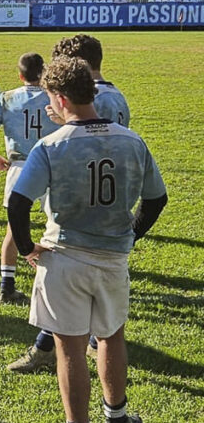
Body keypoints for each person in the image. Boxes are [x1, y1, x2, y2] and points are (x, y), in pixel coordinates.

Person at [6, 56, 166, 423]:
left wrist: (26, 248)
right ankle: (117, 417)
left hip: (65, 256)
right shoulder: (132, 140)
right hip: (112, 257)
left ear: (60, 98)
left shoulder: (51, 146)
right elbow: (157, 198)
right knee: (111, 335)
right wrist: (131, 233)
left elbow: (18, 204)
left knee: (69, 348)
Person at [8, 34, 131, 373]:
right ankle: (65, 347)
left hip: (81, 213)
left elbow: (90, 146)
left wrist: (63, 123)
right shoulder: (116, 94)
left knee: (70, 292)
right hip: (108, 211)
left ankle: (51, 350)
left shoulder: (97, 101)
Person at [0, 53, 60, 306]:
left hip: (19, 167)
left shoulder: (8, 98)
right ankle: (55, 283)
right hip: (50, 165)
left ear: (20, 75)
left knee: (13, 228)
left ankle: (6, 286)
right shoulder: (52, 98)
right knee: (55, 225)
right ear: (43, 74)